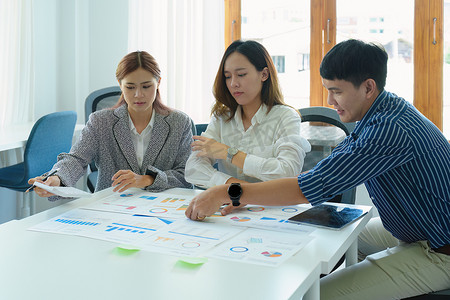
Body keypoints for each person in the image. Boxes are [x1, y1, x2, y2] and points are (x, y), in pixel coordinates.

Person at [185, 39, 450, 299]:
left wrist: (227, 192)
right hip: (420, 228)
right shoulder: (383, 111)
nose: (330, 100)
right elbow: (322, 173)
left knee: (317, 295)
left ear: (368, 87)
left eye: (336, 91)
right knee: (319, 240)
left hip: (438, 249)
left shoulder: (387, 130)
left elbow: (310, 186)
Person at [29, 51, 193, 198]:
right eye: (130, 87)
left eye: (146, 86)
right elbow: (76, 159)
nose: (138, 94)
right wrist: (56, 179)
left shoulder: (179, 122)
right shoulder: (101, 121)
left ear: (158, 82)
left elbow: (186, 174)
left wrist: (146, 179)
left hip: (163, 207)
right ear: (120, 84)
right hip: (111, 208)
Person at [185, 40, 310, 189]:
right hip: (230, 204)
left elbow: (287, 171)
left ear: (264, 74)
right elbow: (193, 168)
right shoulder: (222, 117)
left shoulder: (286, 117)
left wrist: (229, 153)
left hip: (273, 207)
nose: (233, 84)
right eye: (227, 76)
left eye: (241, 74)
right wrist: (238, 188)